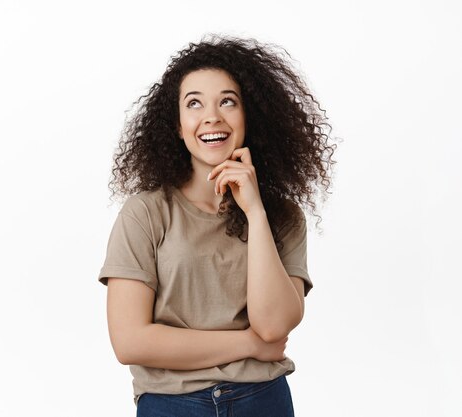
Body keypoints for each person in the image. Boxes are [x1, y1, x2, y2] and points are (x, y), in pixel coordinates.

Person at [97, 35, 337, 417]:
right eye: (194, 103)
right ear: (177, 125)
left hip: (263, 401)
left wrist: (255, 212)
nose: (211, 117)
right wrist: (249, 345)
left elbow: (273, 326)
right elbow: (130, 342)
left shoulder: (282, 217)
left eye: (228, 101)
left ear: (248, 116)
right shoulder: (145, 213)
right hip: (171, 404)